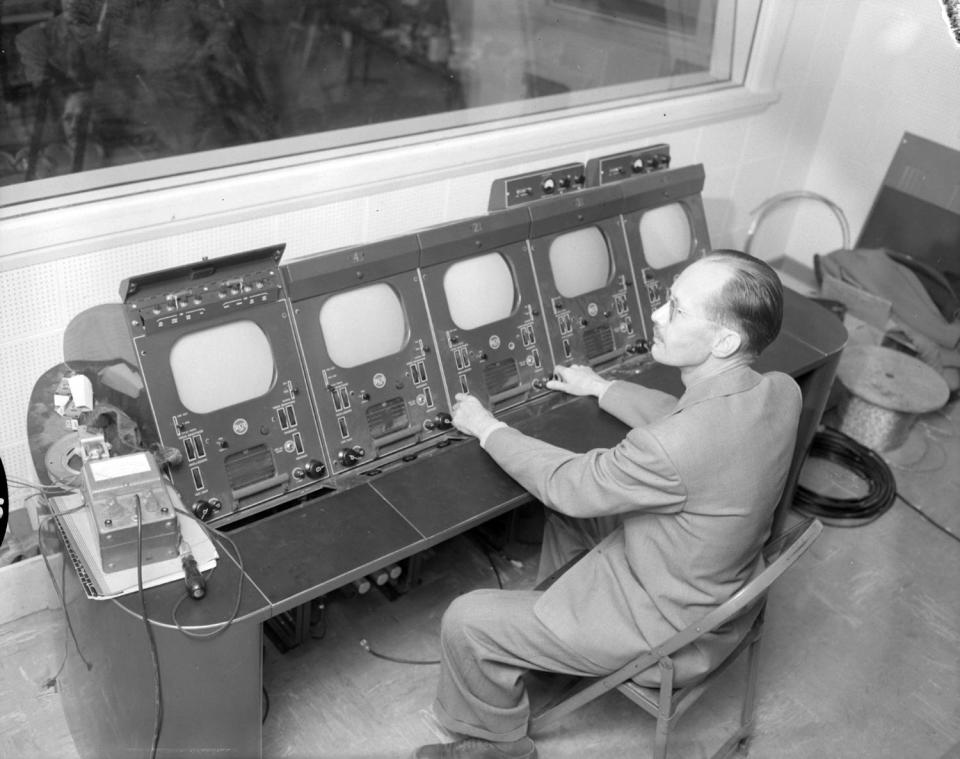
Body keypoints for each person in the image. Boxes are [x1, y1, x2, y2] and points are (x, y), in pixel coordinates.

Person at [412, 249, 802, 759]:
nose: (658, 315)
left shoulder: (671, 448)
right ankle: (547, 649)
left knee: (468, 621)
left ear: (725, 340)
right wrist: (601, 386)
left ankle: (498, 746)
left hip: (669, 626)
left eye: (678, 311)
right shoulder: (779, 390)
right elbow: (684, 420)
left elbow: (570, 483)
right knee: (568, 524)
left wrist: (487, 427)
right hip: (722, 590)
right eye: (668, 300)